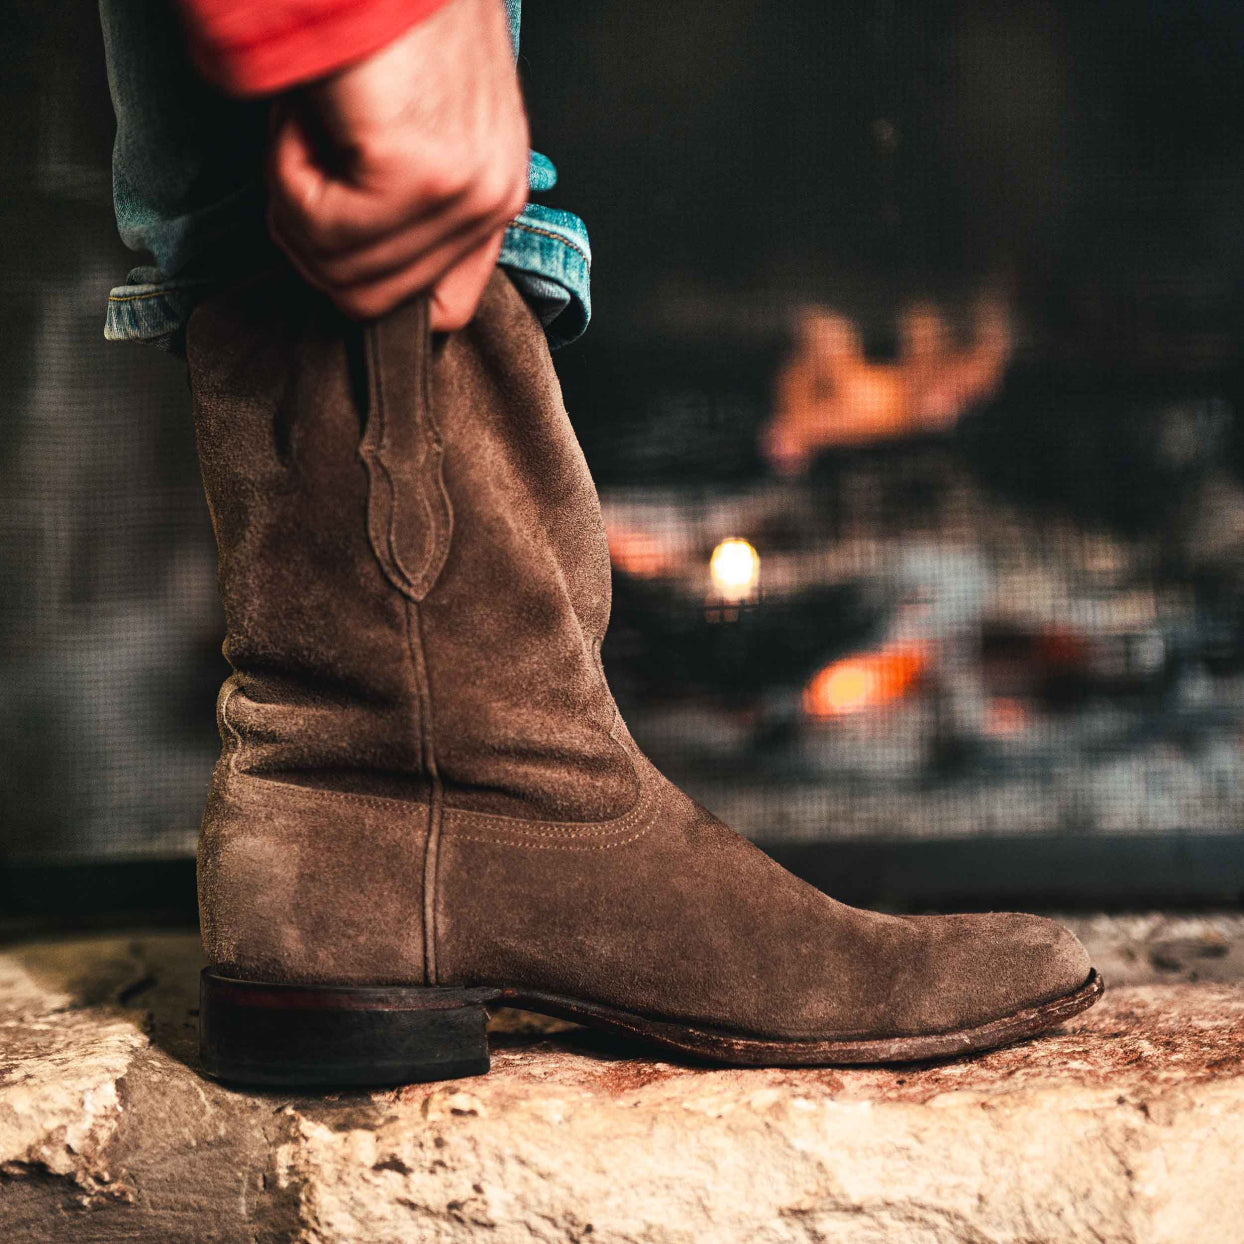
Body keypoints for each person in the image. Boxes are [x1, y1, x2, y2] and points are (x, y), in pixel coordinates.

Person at [100, 0, 1100, 1085]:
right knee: (386, 194)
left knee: (246, 181)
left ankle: (340, 852)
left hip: (326, 867)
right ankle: (445, 816)